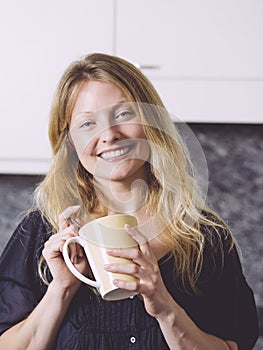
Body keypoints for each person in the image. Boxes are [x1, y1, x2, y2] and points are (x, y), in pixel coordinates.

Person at [0, 53, 258, 350]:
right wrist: (62, 287)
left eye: (124, 114)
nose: (109, 135)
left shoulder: (204, 236)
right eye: (87, 124)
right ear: (70, 141)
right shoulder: (41, 233)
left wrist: (164, 307)